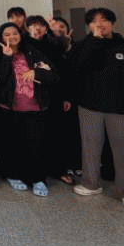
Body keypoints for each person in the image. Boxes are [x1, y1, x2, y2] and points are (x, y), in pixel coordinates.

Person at [70, 8, 124, 211]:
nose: (100, 25)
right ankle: (90, 184)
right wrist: (94, 42)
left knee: (123, 152)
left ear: (112, 23)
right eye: (94, 21)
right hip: (89, 108)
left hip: (122, 110)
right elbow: (75, 69)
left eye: (104, 20)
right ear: (88, 26)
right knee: (90, 149)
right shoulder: (81, 47)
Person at [0, 22, 60, 197]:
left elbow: (54, 75)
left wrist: (37, 73)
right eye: (7, 34)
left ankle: (38, 179)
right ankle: (13, 175)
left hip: (35, 108)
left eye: (14, 33)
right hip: (10, 109)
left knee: (36, 146)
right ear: (1, 37)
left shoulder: (32, 52)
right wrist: (7, 57)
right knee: (13, 146)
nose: (11, 37)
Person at [25, 15, 75, 185]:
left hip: (54, 94)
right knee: (36, 135)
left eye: (40, 25)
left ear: (46, 28)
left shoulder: (54, 44)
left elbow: (64, 71)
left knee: (56, 134)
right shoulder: (24, 44)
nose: (37, 29)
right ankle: (39, 169)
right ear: (28, 29)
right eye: (33, 26)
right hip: (31, 96)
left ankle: (59, 170)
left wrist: (66, 96)